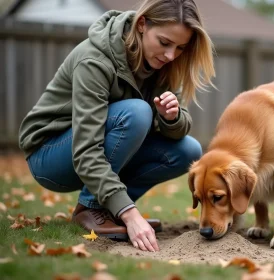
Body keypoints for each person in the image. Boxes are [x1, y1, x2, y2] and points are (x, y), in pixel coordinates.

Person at [18, 0, 215, 252]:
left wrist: (170, 117)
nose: (170, 55)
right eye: (165, 43)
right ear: (142, 24)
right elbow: (86, 151)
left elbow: (180, 128)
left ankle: (108, 209)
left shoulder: (161, 62)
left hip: (90, 152)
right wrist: (132, 215)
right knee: (137, 112)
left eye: (180, 48)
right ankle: (92, 208)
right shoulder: (94, 60)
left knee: (189, 151)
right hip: (49, 154)